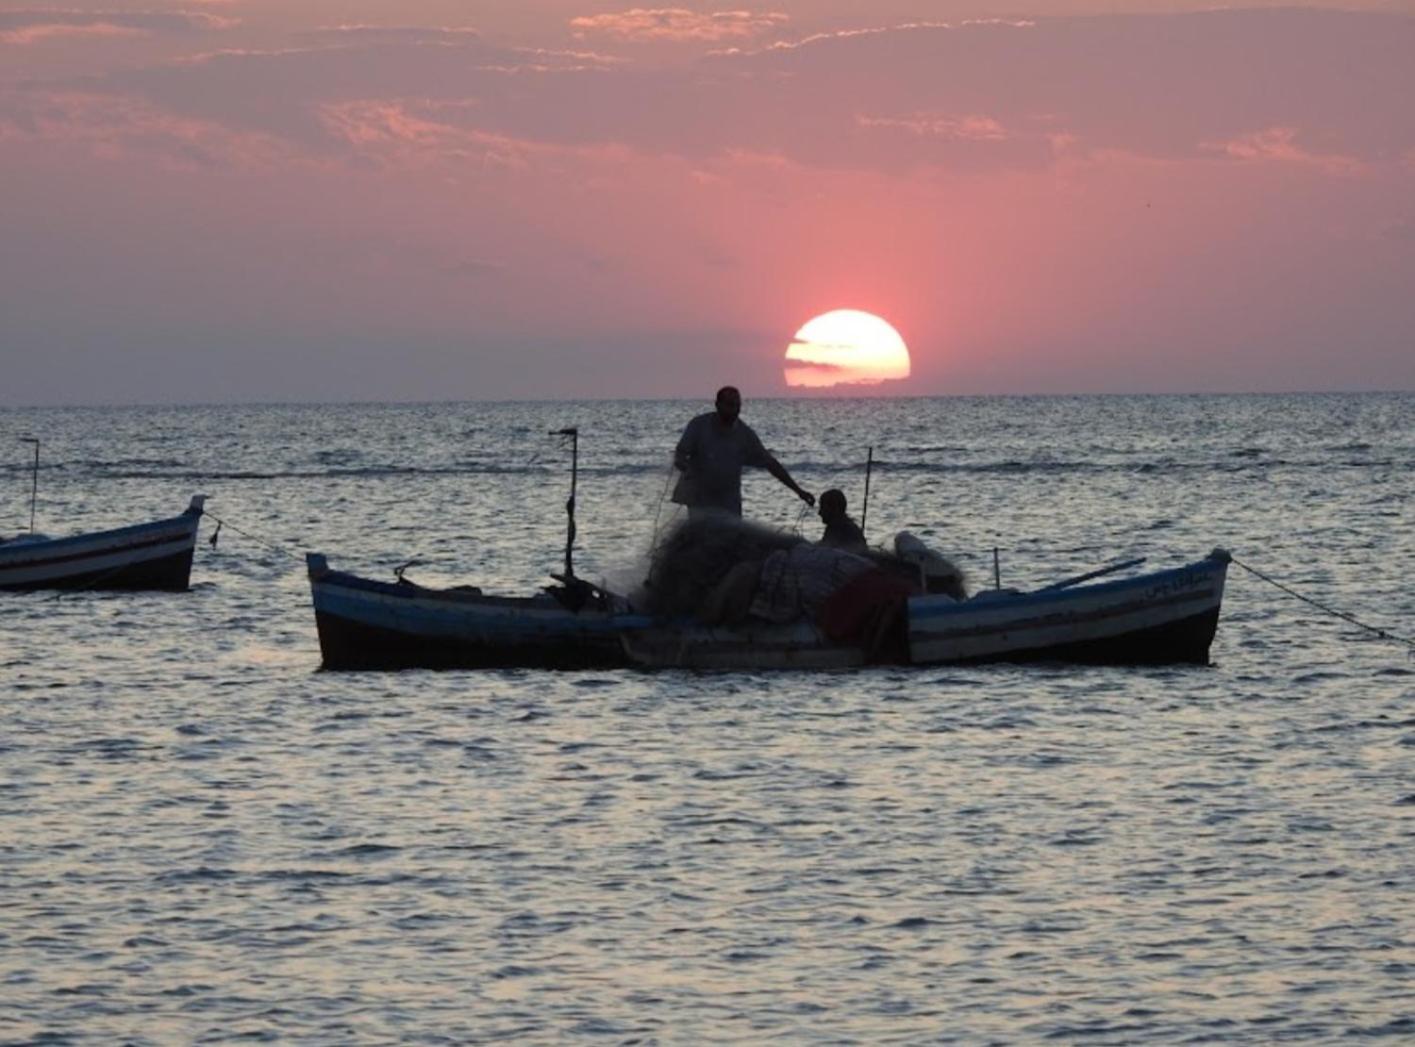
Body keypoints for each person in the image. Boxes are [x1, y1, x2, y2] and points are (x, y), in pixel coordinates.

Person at [671, 386, 814, 517]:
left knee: (731, 541)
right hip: (699, 497)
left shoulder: (745, 435)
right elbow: (681, 452)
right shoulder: (699, 425)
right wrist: (681, 462)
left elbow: (771, 464)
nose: (734, 410)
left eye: (737, 405)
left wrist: (799, 491)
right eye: (730, 405)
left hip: (729, 500)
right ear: (718, 405)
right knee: (700, 539)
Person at [817, 488, 867, 552]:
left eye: (822, 508)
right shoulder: (833, 528)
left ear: (835, 509)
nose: (819, 513)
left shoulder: (844, 531)